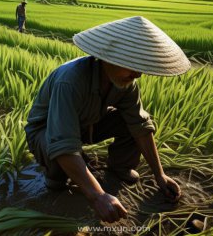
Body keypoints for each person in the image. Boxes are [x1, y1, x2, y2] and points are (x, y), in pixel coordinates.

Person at [25, 16, 191, 223]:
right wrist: (98, 196)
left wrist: (160, 175)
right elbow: (62, 142)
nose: (137, 74)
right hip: (47, 130)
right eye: (130, 65)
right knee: (59, 174)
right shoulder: (70, 81)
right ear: (107, 57)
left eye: (140, 67)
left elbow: (140, 126)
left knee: (133, 121)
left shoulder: (126, 83)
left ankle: (119, 167)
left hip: (86, 124)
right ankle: (55, 175)